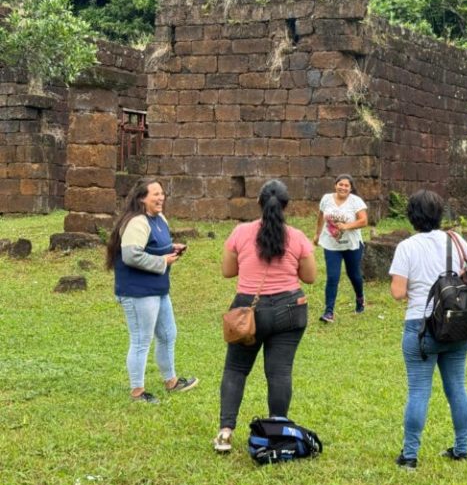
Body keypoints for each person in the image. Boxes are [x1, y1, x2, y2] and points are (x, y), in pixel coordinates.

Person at [214, 179, 316, 453]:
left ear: (259, 203)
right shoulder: (297, 237)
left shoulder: (240, 232)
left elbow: (227, 270)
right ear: (286, 206)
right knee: (279, 372)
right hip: (290, 310)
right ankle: (276, 431)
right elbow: (310, 277)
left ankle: (225, 432)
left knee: (236, 369)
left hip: (249, 309)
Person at [388, 189, 467, 469]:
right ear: (440, 214)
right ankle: (461, 449)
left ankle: (410, 455)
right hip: (457, 325)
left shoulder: (407, 246)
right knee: (457, 388)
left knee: (418, 391)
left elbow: (398, 293)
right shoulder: (456, 240)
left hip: (420, 326)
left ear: (412, 216)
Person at [106, 178, 198, 404]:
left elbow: (155, 247)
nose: (161, 198)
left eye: (162, 193)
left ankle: (171, 381)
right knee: (141, 340)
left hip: (158, 289)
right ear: (141, 198)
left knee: (168, 334)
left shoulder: (160, 219)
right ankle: (137, 392)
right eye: (155, 194)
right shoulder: (137, 222)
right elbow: (131, 255)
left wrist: (171, 248)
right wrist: (162, 261)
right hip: (138, 292)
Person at [313, 174, 368, 322]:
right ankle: (329, 312)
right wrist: (317, 234)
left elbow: (364, 221)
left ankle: (360, 298)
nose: (343, 187)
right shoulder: (326, 199)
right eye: (340, 184)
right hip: (331, 244)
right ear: (335, 185)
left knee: (354, 274)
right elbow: (320, 216)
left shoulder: (356, 202)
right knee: (332, 277)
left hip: (352, 245)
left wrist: (347, 226)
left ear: (350, 188)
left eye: (346, 185)